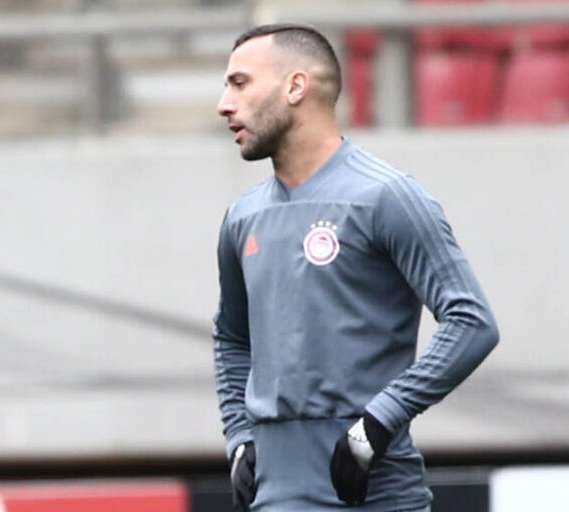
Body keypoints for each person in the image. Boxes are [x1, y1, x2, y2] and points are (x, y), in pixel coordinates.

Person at [211, 24, 499, 511]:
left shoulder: (385, 197)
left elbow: (472, 322)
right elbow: (232, 337)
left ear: (295, 87)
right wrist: (239, 435)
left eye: (240, 83)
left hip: (374, 495)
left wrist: (379, 421)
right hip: (275, 498)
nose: (224, 104)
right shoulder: (242, 217)